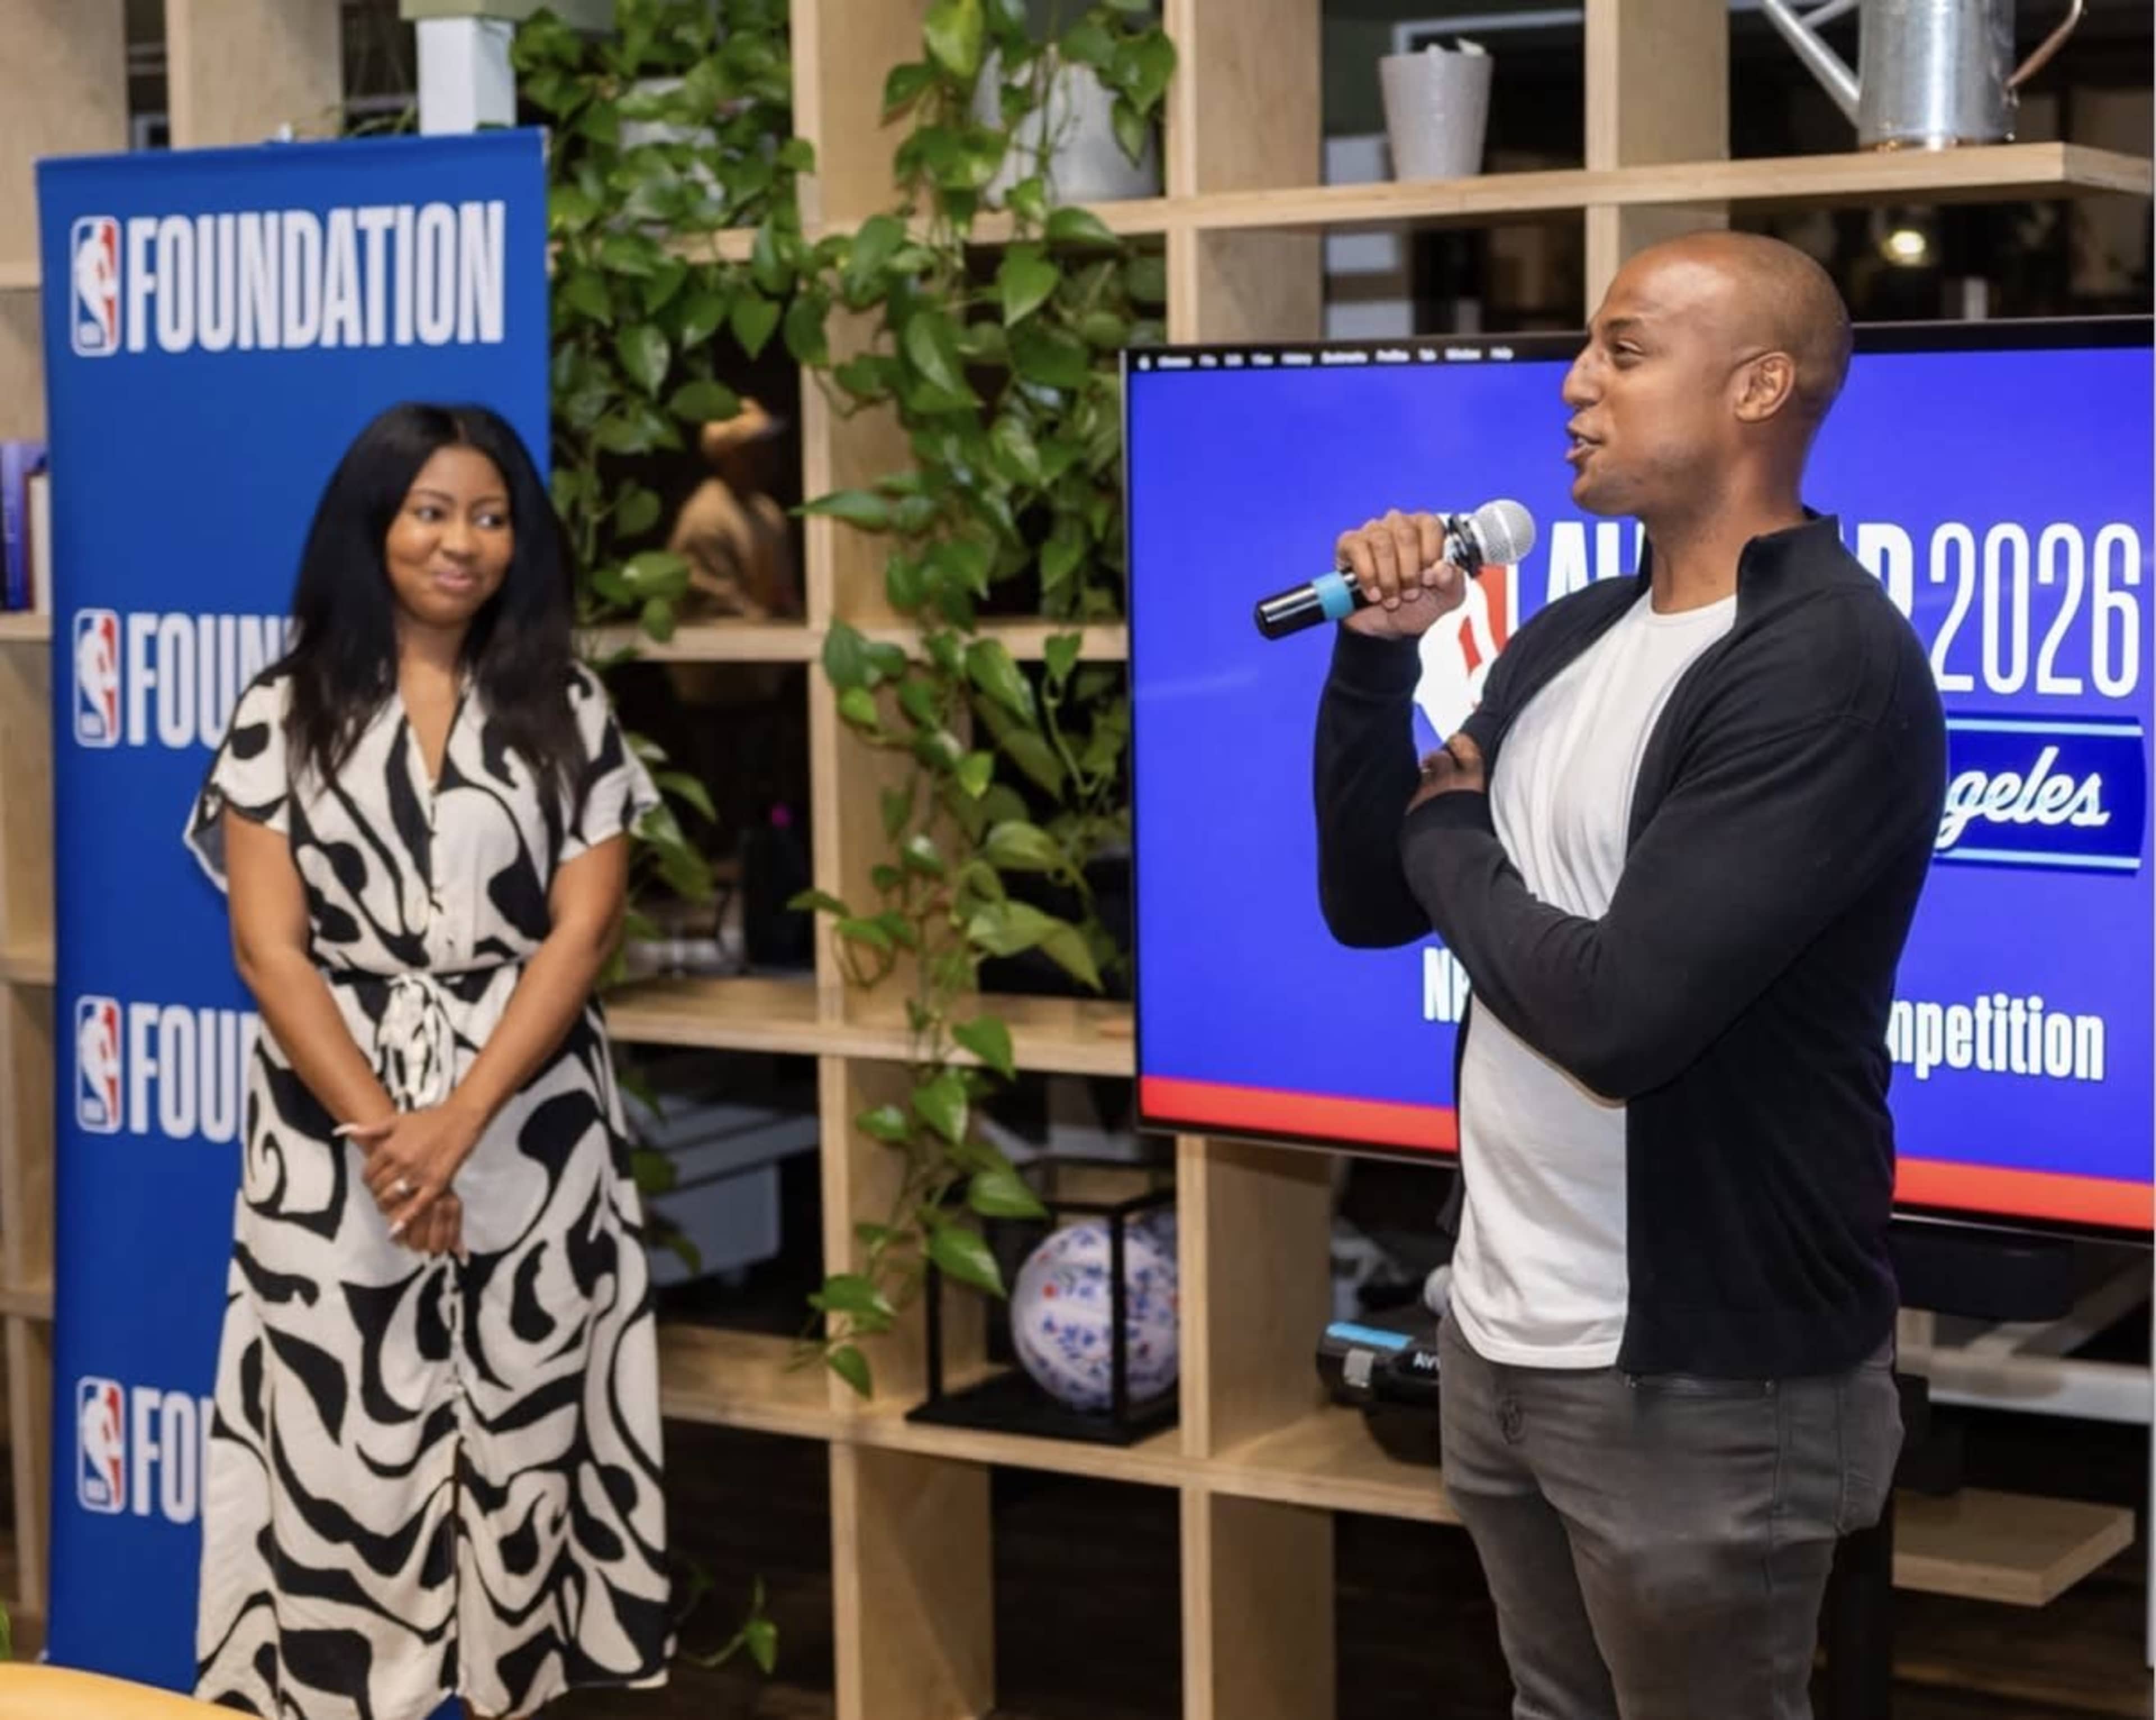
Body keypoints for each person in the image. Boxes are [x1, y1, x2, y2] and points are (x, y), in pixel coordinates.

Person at [1313, 231, 1947, 1718]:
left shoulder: (1823, 665)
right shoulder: (1576, 631)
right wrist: (1372, 667)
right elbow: (1364, 899)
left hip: (1706, 1381)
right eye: (1585, 349)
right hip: (1502, 1327)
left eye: (1623, 349)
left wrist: (1453, 824)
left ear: (1760, 387)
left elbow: (1617, 1013)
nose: (1574, 383)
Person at [184, 402, 671, 1720]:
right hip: (333, 1144)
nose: (462, 542)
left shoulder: (569, 703)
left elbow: (585, 929)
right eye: (432, 511)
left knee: (521, 1455)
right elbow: (268, 949)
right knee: (348, 1463)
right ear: (374, 527)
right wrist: (393, 1140)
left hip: (528, 1129)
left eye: (491, 516)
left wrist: (457, 1119)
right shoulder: (280, 707)